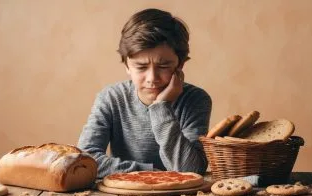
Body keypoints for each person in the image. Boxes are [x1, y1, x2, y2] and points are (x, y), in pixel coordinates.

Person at [78, 8, 212, 178]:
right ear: (127, 66)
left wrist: (162, 107)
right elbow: (85, 160)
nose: (152, 78)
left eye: (163, 67)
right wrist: (152, 174)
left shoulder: (196, 99)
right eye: (141, 67)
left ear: (180, 65)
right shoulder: (110, 98)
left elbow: (190, 169)